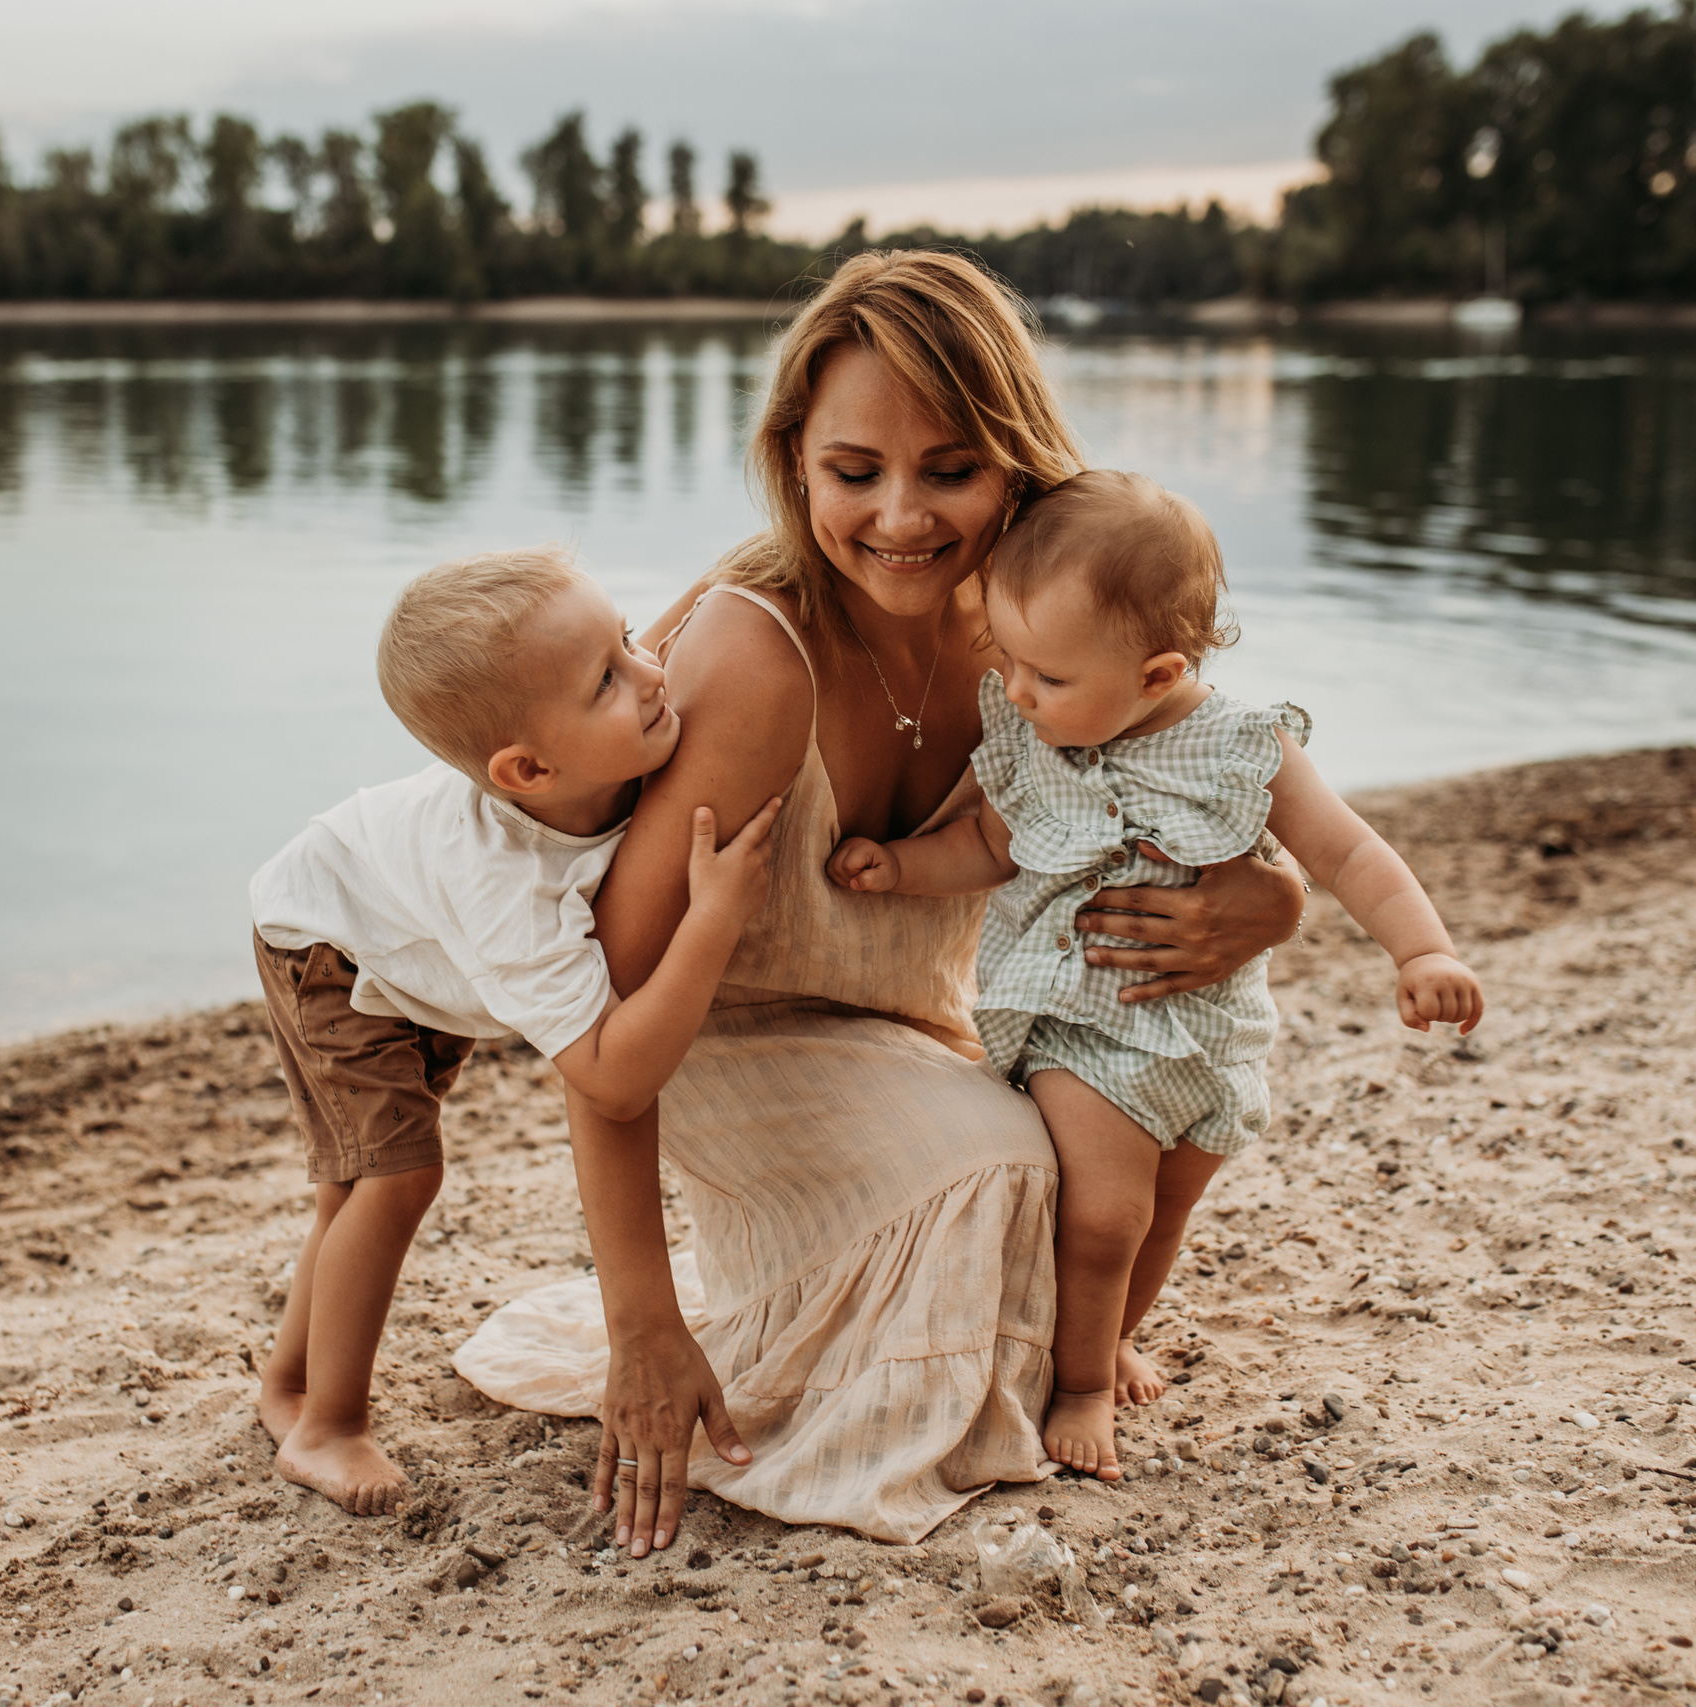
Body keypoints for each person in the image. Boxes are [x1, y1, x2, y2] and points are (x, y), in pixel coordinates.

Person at [452, 253, 1307, 1548]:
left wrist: (1275, 896)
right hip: (718, 1044)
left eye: (949, 469)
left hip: (924, 1030)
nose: (900, 516)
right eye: (854, 471)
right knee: (1001, 1175)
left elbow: (1206, 772)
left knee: (1104, 1154)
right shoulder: (757, 653)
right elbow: (602, 1010)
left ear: (1015, 462)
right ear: (795, 462)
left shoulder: (1037, 631)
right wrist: (640, 1320)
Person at [828, 469, 1485, 1480]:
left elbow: (1350, 852)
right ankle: (1081, 1383)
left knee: (1164, 1209)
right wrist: (903, 867)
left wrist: (1424, 949)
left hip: (1208, 1034)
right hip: (1080, 1018)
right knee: (1104, 1215)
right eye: (1010, 660)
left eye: (1047, 677)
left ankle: (1116, 1332)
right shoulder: (1038, 736)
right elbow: (991, 846)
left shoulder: (1241, 746)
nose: (1016, 691)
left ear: (1156, 673)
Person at [247, 546, 780, 1515]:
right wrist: (711, 921)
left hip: (407, 943)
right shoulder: (510, 889)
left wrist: (736, 575)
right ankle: (328, 1424)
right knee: (394, 1178)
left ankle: (287, 1383)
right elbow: (611, 1076)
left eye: (628, 638)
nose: (652, 670)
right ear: (528, 769)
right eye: (610, 678)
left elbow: (675, 631)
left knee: (350, 1188)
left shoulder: (591, 740)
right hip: (334, 951)